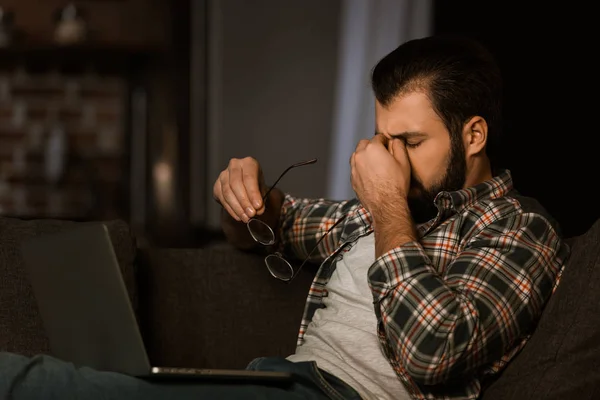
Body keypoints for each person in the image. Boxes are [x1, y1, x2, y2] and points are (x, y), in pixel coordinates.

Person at [0, 34, 569, 400]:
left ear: (473, 135)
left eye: (411, 141)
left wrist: (386, 205)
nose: (390, 158)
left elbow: (436, 353)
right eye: (381, 137)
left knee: (34, 382)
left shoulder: (519, 229)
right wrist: (245, 200)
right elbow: (267, 230)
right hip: (276, 378)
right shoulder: (390, 205)